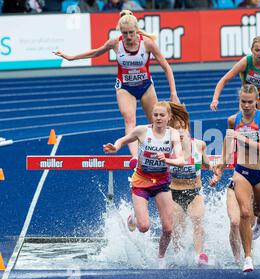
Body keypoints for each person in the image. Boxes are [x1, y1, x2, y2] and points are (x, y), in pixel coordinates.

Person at [54, 10, 179, 169]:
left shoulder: (147, 43)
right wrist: (71, 57)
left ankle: (169, 153)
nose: (128, 36)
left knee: (157, 121)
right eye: (125, 33)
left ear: (136, 30)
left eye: (131, 33)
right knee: (129, 118)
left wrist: (173, 93)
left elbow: (166, 67)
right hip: (125, 87)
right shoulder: (115, 43)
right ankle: (135, 157)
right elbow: (95, 52)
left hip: (146, 86)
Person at [103, 101, 185, 268]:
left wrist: (166, 159)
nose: (158, 118)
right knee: (143, 227)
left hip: (162, 182)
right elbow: (124, 139)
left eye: (162, 115)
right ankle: (132, 218)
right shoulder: (142, 131)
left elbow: (181, 161)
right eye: (155, 115)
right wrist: (116, 147)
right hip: (141, 181)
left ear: (169, 117)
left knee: (168, 228)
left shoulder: (173, 134)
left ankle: (161, 257)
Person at [212, 84, 260, 272]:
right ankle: (248, 258)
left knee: (258, 211)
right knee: (245, 213)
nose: (246, 106)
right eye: (243, 102)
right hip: (242, 171)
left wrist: (242, 138)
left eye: (249, 102)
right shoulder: (233, 120)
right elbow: (228, 147)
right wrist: (220, 168)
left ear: (256, 101)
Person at [167, 101, 211, 265]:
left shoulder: (199, 145)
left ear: (188, 128)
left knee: (198, 219)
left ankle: (200, 255)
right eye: (175, 129)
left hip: (194, 192)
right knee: (176, 228)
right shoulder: (167, 148)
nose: (179, 132)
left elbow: (207, 164)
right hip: (174, 193)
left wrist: (215, 170)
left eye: (182, 128)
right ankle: (178, 256)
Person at [210, 36, 260, 124]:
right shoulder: (245, 62)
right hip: (248, 96)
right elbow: (224, 80)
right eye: (257, 50)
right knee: (246, 124)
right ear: (252, 49)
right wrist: (215, 99)